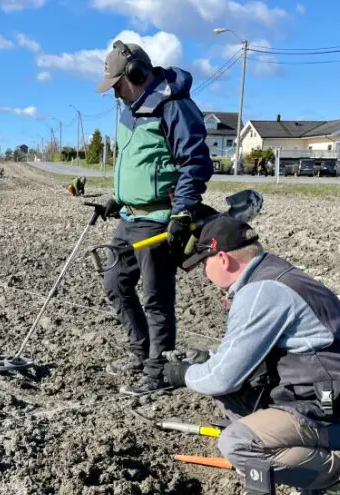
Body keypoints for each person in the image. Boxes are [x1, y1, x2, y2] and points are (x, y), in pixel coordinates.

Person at [163, 213, 340, 495]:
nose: (205, 273)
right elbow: (237, 360)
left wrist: (185, 374)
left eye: (204, 264)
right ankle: (297, 448)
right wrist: (208, 359)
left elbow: (222, 377)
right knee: (232, 395)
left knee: (236, 444)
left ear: (223, 259)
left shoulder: (261, 292)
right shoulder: (275, 275)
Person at [94, 41, 213, 395]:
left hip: (159, 218)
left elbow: (195, 163)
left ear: (137, 74)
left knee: (157, 299)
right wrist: (116, 198)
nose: (115, 93)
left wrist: (182, 212)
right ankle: (140, 350)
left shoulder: (174, 107)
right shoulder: (129, 110)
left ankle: (159, 370)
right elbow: (136, 161)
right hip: (129, 217)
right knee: (115, 282)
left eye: (118, 84)